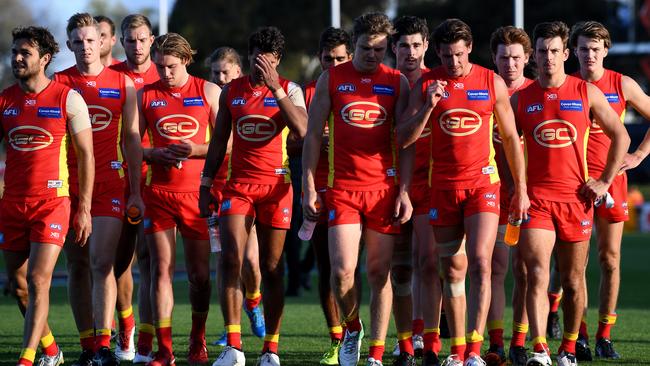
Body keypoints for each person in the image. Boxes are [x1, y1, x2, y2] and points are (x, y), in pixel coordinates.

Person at [397, 18, 529, 366]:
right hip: (441, 188)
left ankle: (474, 351)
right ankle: (454, 351)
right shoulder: (426, 82)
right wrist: (427, 106)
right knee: (451, 270)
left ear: (470, 48)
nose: (452, 63)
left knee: (482, 264)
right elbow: (404, 140)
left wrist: (522, 189)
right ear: (437, 53)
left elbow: (512, 140)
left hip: (483, 186)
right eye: (445, 56)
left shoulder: (490, 81)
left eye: (458, 54)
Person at [512, 21, 629, 366]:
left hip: (576, 201)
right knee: (536, 272)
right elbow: (500, 141)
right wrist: (516, 188)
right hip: (537, 201)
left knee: (573, 281)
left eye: (554, 51)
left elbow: (621, 136)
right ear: (534, 55)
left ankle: (568, 347)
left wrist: (606, 180)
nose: (548, 57)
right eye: (542, 51)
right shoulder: (522, 98)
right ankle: (539, 349)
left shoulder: (585, 92)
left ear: (566, 54)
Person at [303, 12, 412, 366]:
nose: (373, 55)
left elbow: (406, 142)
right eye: (366, 48)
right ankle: (352, 328)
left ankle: (377, 353)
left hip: (383, 189)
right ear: (354, 46)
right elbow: (313, 136)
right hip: (343, 189)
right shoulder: (331, 78)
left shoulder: (397, 82)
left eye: (381, 49)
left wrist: (405, 190)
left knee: (380, 272)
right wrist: (308, 185)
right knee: (341, 271)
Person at [200, 26, 307, 366]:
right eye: (257, 60)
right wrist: (205, 184)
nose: (262, 67)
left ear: (277, 61)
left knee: (272, 267)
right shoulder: (232, 91)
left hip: (277, 187)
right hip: (239, 187)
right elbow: (218, 142)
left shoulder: (290, 89)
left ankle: (270, 348)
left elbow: (303, 129)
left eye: (270, 62)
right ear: (248, 58)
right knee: (231, 258)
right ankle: (233, 346)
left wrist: (276, 87)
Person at [0, 25, 93, 366]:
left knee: (40, 279)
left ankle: (27, 359)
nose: (18, 58)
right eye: (15, 52)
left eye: (25, 53)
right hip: (11, 205)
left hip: (53, 203)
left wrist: (83, 208)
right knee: (20, 285)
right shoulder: (5, 100)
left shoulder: (68, 98)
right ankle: (52, 351)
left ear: (45, 58)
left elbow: (87, 155)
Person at [55, 12, 143, 366]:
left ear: (103, 42)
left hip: (110, 182)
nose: (86, 47)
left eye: (91, 40)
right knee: (76, 265)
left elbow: (133, 140)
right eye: (78, 42)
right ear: (69, 45)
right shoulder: (58, 84)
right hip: (68, 186)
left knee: (102, 262)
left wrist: (135, 190)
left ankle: (105, 347)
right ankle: (87, 344)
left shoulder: (123, 84)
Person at [569, 20, 650, 360]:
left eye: (595, 48)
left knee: (610, 259)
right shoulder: (566, 85)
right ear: (574, 51)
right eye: (583, 48)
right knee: (575, 265)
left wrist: (639, 154)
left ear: (606, 50)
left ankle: (604, 334)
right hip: (573, 186)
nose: (589, 54)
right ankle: (580, 334)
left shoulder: (622, 84)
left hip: (612, 181)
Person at [139, 32, 220, 366]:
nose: (165, 73)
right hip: (157, 194)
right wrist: (153, 154)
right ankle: (164, 349)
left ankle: (197, 339)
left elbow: (227, 143)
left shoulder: (208, 91)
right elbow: (131, 147)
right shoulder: (144, 95)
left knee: (200, 276)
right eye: (159, 67)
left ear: (186, 60)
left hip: (197, 196)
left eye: (170, 66)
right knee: (161, 270)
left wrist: (195, 150)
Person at [204, 46, 267, 347]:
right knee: (227, 261)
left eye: (224, 72)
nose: (219, 77)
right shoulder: (209, 98)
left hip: (247, 186)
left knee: (251, 262)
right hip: (220, 192)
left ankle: (253, 302)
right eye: (215, 72)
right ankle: (230, 327)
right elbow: (212, 145)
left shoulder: (242, 98)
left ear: (238, 73)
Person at [389, 14, 439, 366]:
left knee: (428, 262)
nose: (410, 51)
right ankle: (403, 337)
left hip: (428, 184)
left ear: (426, 47)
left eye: (416, 45)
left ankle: (423, 332)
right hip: (385, 184)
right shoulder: (384, 83)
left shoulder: (437, 82)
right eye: (403, 45)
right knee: (397, 267)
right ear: (394, 48)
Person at [109, 13, 159, 363]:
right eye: (130, 39)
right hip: (117, 179)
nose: (137, 45)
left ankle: (146, 337)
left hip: (156, 179)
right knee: (117, 261)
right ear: (121, 42)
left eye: (142, 39)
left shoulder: (166, 72)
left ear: (152, 40)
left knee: (152, 260)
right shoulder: (110, 77)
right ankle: (125, 326)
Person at [303, 26, 353, 365]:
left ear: (349, 57)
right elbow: (296, 140)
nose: (332, 65)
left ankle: (397, 337)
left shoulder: (364, 89)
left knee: (383, 268)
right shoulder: (307, 93)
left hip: (362, 186)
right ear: (319, 59)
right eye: (327, 59)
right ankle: (338, 339)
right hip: (322, 189)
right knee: (329, 267)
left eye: (339, 59)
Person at [487, 25, 534, 366]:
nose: (510, 64)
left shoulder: (536, 92)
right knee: (495, 269)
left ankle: (521, 339)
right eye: (504, 58)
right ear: (494, 59)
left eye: (516, 57)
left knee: (527, 271)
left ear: (527, 59)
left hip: (532, 196)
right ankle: (497, 343)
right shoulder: (485, 90)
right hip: (493, 194)